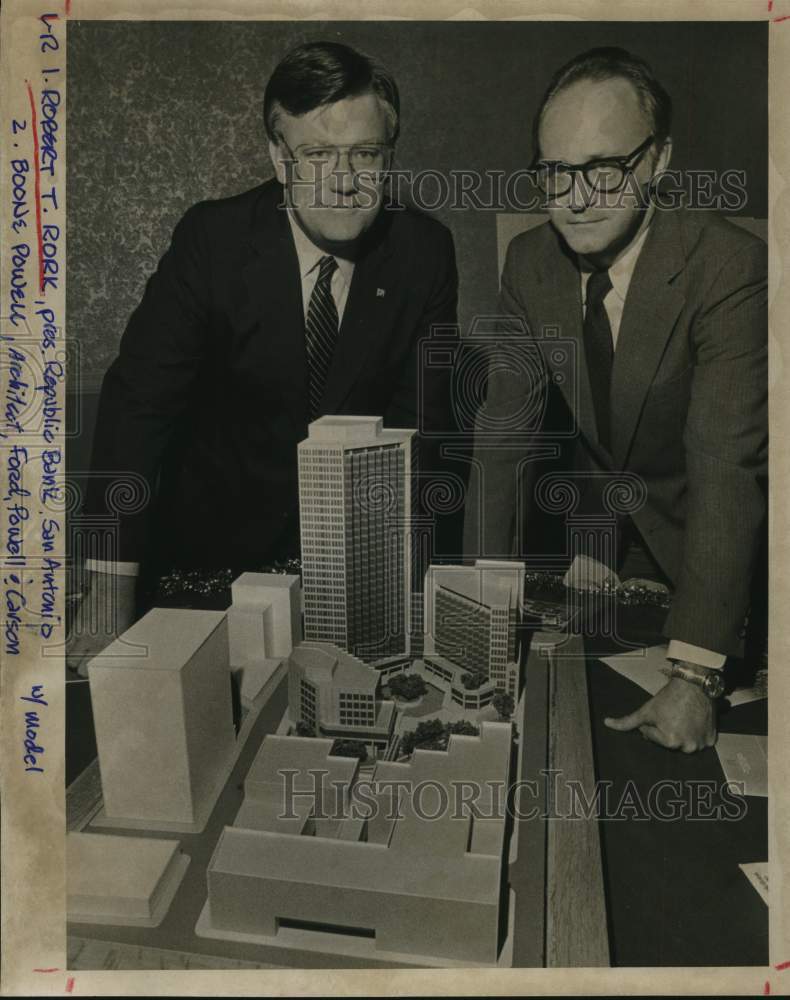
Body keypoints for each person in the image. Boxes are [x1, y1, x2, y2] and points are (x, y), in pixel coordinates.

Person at [69, 40, 458, 669]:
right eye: (316, 155)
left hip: (347, 567)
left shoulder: (425, 252)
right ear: (279, 157)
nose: (343, 182)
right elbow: (137, 407)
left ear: (390, 153)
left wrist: (399, 596)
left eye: (365, 154)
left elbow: (422, 435)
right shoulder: (213, 240)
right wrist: (111, 587)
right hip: (203, 567)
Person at [464, 47, 767, 752]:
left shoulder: (731, 268)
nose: (576, 198)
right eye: (556, 172)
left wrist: (696, 674)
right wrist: (477, 610)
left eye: (604, 169)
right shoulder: (530, 264)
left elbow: (726, 472)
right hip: (628, 559)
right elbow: (501, 443)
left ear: (658, 160)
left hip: (741, 571)